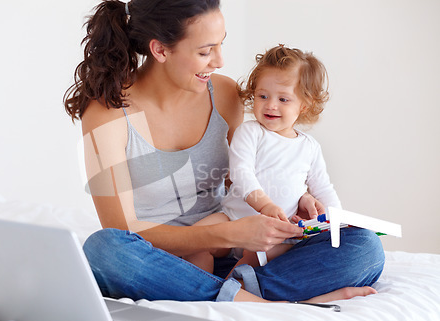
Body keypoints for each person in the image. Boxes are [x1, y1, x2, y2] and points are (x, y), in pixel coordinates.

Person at [64, 0, 384, 303]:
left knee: (364, 247)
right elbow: (122, 228)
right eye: (206, 51)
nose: (219, 61)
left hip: (232, 253)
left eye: (221, 44)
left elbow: (240, 181)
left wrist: (294, 199)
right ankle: (255, 299)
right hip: (161, 260)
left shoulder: (224, 93)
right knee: (104, 249)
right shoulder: (105, 111)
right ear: (160, 49)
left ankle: (235, 292)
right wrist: (227, 232)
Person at [183, 45, 343, 273]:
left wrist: (338, 220)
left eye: (284, 99)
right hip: (232, 220)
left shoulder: (309, 147)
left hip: (275, 232)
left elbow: (323, 188)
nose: (271, 105)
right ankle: (201, 287)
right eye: (263, 96)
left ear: (304, 105)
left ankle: (231, 286)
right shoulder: (250, 132)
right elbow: (241, 173)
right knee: (195, 241)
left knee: (273, 253)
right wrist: (264, 205)